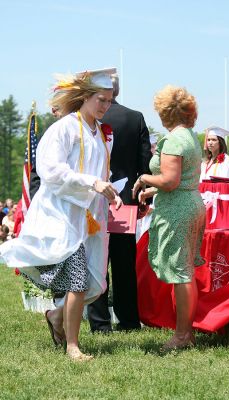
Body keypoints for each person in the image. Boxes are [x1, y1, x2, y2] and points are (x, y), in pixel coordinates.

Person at [0, 67, 122, 361]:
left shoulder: (102, 134)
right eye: (100, 100)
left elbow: (99, 174)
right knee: (78, 281)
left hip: (90, 217)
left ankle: (56, 317)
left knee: (96, 283)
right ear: (84, 97)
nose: (106, 106)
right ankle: (72, 346)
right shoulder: (64, 128)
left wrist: (110, 193)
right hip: (61, 214)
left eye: (109, 100)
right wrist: (91, 182)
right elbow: (51, 171)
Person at [132, 85, 205, 350]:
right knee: (185, 271)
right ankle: (187, 333)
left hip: (178, 208)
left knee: (181, 273)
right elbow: (181, 178)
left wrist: (144, 179)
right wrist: (154, 189)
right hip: (190, 202)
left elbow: (171, 180)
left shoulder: (174, 139)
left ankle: (182, 336)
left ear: (165, 112)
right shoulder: (190, 136)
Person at [87, 73, 152, 332]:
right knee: (124, 265)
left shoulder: (90, 118)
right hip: (124, 203)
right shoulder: (135, 118)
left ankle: (100, 323)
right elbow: (144, 162)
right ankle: (128, 321)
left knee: (96, 261)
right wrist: (142, 197)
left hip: (94, 200)